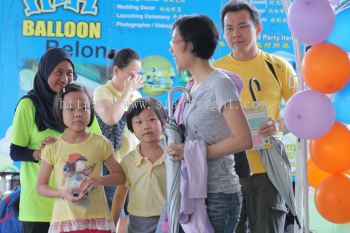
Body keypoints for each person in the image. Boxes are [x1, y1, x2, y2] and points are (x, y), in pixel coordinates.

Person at [212, 1, 298, 232]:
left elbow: (300, 113)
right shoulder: (215, 72)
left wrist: (278, 124)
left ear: (258, 28)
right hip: (227, 171)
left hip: (268, 171)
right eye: (229, 29)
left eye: (242, 26)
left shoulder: (278, 67)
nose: (235, 34)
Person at [167, 15, 253, 233]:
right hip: (196, 191)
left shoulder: (220, 85)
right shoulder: (191, 86)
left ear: (191, 44)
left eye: (174, 42)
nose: (170, 49)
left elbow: (243, 139)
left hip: (219, 195)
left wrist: (190, 152)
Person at [10, 47, 101, 233]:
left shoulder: (78, 103)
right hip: (38, 207)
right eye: (58, 72)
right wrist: (38, 153)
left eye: (69, 73)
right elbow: (15, 151)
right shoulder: (28, 106)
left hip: (74, 205)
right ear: (45, 72)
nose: (65, 78)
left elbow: (97, 142)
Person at [37, 83, 126, 233]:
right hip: (65, 223)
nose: (78, 113)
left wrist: (98, 180)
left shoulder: (100, 142)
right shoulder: (53, 147)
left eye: (84, 108)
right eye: (71, 109)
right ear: (60, 112)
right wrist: (62, 193)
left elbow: (120, 177)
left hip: (98, 223)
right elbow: (41, 186)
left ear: (91, 111)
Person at [93, 48, 143, 232]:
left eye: (138, 73)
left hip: (134, 166)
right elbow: (111, 118)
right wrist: (126, 92)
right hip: (112, 165)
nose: (135, 78)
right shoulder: (102, 91)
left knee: (131, 219)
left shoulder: (137, 96)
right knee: (112, 217)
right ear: (116, 71)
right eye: (131, 74)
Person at [116, 97, 167, 233]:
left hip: (169, 219)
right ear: (131, 127)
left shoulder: (173, 155)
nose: (145, 126)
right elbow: (120, 195)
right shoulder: (128, 161)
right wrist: (111, 223)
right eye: (138, 122)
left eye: (151, 119)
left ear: (163, 121)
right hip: (138, 223)